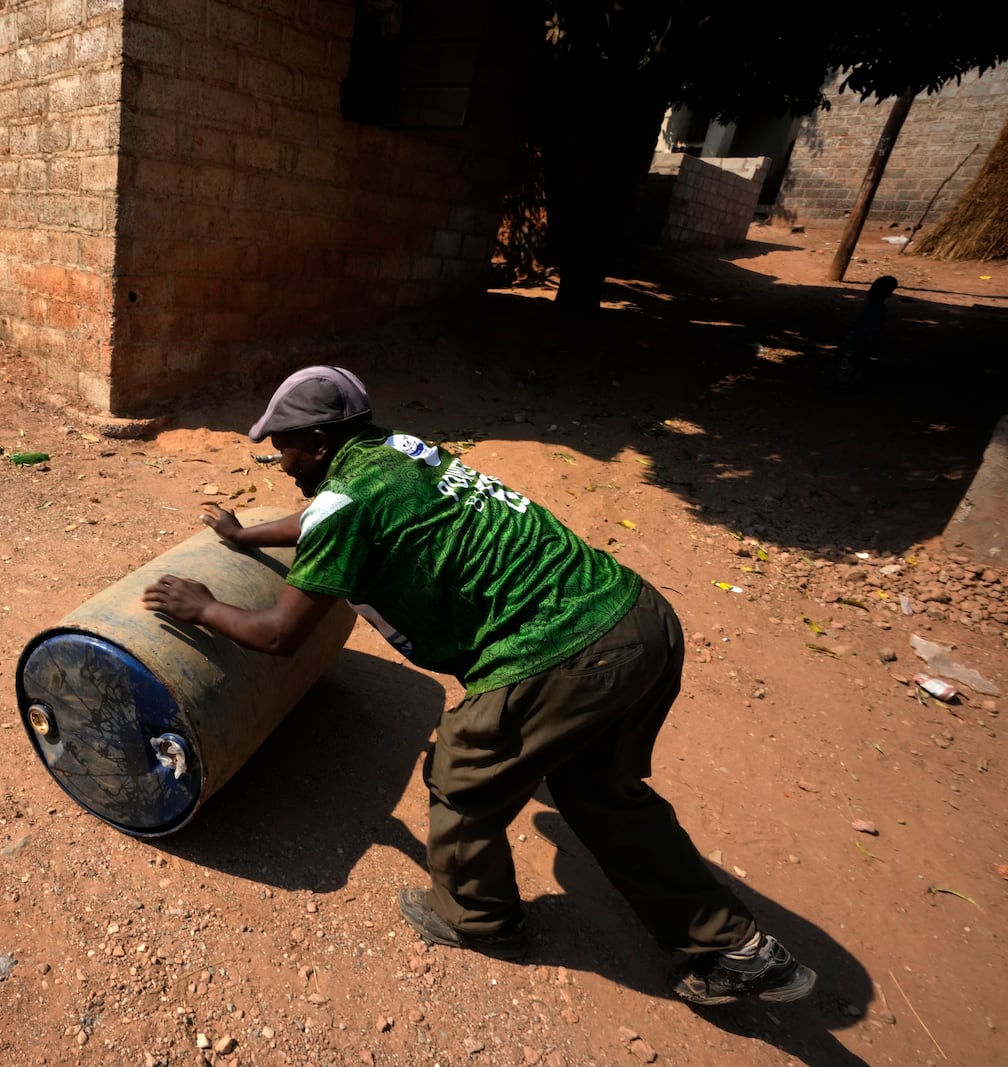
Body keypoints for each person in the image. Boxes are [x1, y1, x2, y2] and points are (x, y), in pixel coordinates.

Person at [140, 366, 816, 1006]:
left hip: (560, 649)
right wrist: (245, 532)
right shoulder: (400, 450)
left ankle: (479, 918)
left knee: (463, 769)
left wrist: (202, 606)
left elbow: (279, 633)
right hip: (635, 617)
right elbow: (324, 517)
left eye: (286, 451)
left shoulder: (346, 499)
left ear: (321, 441)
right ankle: (739, 949)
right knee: (597, 791)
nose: (282, 465)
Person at [834, 275, 898, 387]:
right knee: (855, 359)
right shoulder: (877, 311)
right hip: (862, 340)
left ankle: (846, 381)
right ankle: (848, 381)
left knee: (852, 359)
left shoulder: (872, 310)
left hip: (858, 340)